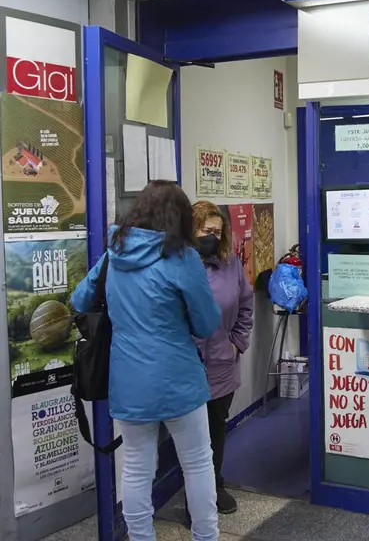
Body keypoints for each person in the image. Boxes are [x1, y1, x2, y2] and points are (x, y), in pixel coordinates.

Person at [71, 181, 221, 541]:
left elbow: (80, 300)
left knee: (137, 467)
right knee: (197, 462)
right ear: (180, 217)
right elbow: (206, 323)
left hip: (129, 382)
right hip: (179, 381)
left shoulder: (115, 254)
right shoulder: (182, 257)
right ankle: (205, 536)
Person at [191, 201, 254, 514]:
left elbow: (246, 306)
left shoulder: (230, 264)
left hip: (221, 364)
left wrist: (236, 344)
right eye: (206, 230)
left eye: (217, 232)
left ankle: (215, 485)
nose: (212, 237)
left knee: (216, 428)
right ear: (191, 229)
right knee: (191, 435)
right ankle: (194, 498)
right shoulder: (177, 265)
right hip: (186, 366)